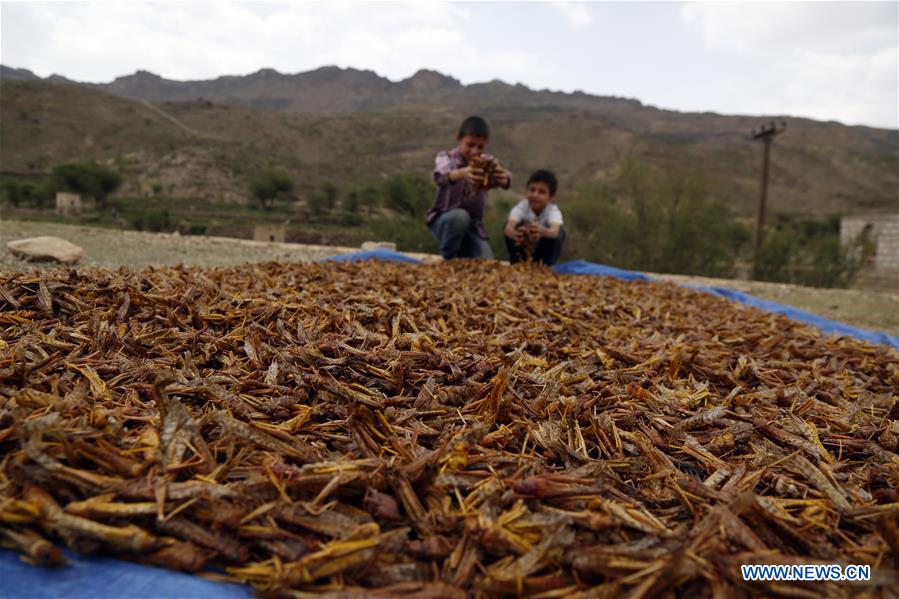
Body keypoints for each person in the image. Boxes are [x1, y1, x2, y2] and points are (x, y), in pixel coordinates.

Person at [425, 116, 511, 259]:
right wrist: (461, 173)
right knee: (460, 217)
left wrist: (503, 179)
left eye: (480, 147)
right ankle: (449, 258)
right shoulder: (446, 157)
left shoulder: (487, 161)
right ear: (459, 138)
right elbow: (440, 177)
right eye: (470, 145)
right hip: (444, 220)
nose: (475, 151)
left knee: (486, 261)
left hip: (473, 226)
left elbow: (506, 176)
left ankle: (462, 252)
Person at [503, 169, 566, 265]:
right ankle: (516, 263)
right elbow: (509, 228)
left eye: (542, 192)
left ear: (551, 196)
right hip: (523, 247)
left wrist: (542, 232)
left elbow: (555, 231)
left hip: (542, 249)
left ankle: (547, 266)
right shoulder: (523, 206)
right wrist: (517, 234)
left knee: (560, 233)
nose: (535, 195)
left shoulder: (553, 210)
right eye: (532, 190)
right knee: (509, 225)